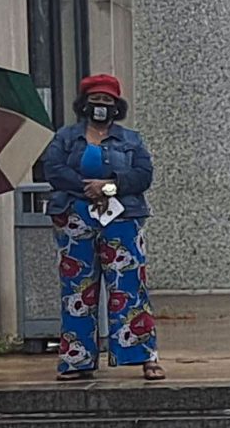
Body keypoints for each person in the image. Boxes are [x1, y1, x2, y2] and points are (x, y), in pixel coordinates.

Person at [40, 74, 164, 383]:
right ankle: (77, 360)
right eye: (95, 99)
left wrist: (108, 187)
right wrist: (87, 189)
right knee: (77, 290)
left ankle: (144, 356)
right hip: (74, 218)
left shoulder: (131, 139)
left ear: (117, 106)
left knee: (130, 286)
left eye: (107, 100)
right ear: (84, 104)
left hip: (122, 218)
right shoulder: (66, 137)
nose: (101, 105)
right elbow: (53, 168)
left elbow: (143, 175)